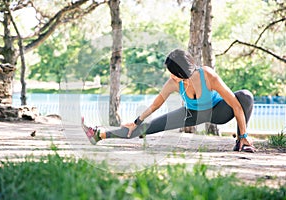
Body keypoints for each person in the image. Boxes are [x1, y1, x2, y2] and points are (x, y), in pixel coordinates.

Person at [82, 49, 255, 152]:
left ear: (181, 71)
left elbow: (236, 106)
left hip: (219, 111)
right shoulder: (174, 82)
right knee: (144, 128)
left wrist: (244, 134)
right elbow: (156, 104)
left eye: (172, 71)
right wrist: (137, 121)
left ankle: (241, 142)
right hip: (193, 114)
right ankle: (100, 134)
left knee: (245, 96)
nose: (169, 75)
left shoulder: (207, 75)